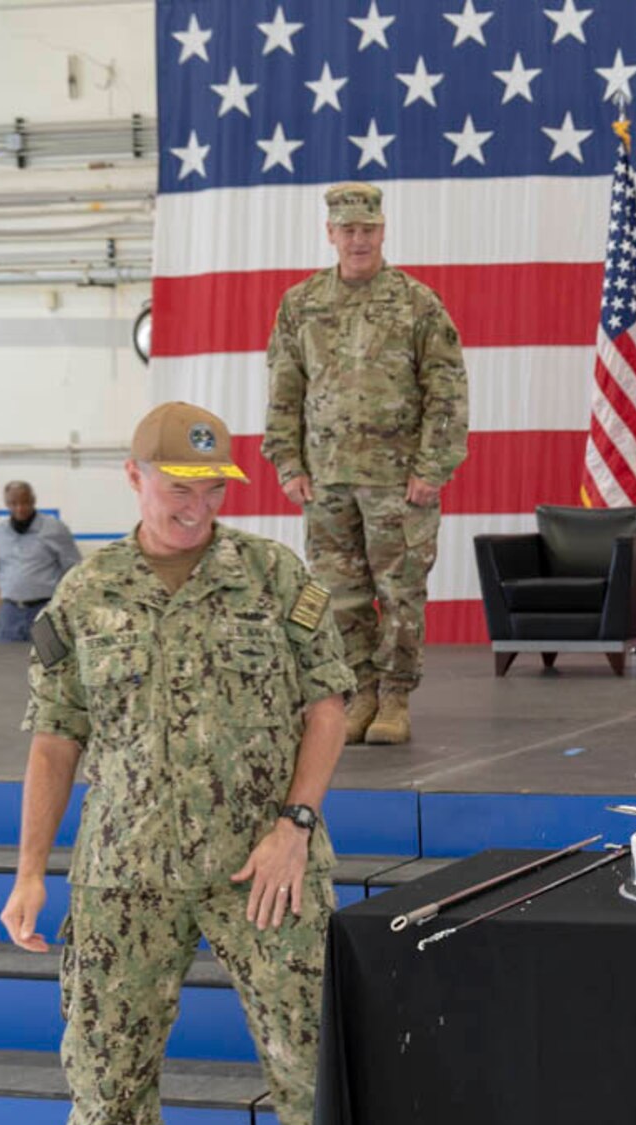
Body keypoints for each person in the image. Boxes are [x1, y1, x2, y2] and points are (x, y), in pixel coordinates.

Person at [0, 401, 352, 1125]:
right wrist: (32, 868)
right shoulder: (86, 594)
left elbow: (329, 702)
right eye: (176, 484)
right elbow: (54, 738)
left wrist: (297, 824)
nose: (194, 503)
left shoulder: (272, 576)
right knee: (105, 1054)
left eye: (209, 486)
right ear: (134, 477)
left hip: (263, 865)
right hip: (125, 867)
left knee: (313, 1047)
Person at [264, 181, 467, 746]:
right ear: (330, 234)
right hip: (326, 478)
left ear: (383, 230)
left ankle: (396, 696)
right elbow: (284, 387)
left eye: (368, 229)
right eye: (348, 230)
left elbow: (446, 389)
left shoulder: (416, 302)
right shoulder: (301, 304)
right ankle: (362, 691)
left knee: (400, 592)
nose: (359, 239)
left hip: (398, 481)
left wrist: (434, 466)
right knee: (339, 595)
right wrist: (287, 460)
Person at [0, 481, 82, 642]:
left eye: (25, 502)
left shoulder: (54, 529)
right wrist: (12, 584)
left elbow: (72, 566)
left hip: (45, 608)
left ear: (33, 500)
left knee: (48, 660)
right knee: (4, 661)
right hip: (10, 611)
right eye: (13, 503)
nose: (20, 508)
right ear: (6, 503)